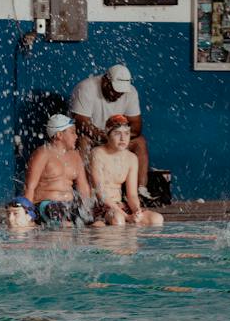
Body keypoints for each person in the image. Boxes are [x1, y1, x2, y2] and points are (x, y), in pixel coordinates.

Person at [69, 64, 148, 192]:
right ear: (105, 81)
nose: (117, 95)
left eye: (120, 93)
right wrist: (107, 137)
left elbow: (136, 128)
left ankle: (141, 191)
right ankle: (88, 192)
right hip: (92, 137)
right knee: (83, 141)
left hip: (113, 137)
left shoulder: (130, 92)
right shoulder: (86, 88)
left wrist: (115, 137)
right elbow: (81, 124)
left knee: (140, 142)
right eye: (114, 90)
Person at [89, 116, 164, 227]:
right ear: (107, 135)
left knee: (157, 219)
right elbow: (101, 194)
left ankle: (132, 242)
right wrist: (127, 216)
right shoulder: (97, 154)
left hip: (121, 206)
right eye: (117, 133)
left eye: (127, 133)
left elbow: (132, 194)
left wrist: (137, 210)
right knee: (118, 220)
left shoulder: (131, 158)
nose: (123, 138)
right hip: (100, 206)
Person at [18, 114, 90, 226]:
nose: (76, 136)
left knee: (97, 224)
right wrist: (28, 215)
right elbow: (29, 187)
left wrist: (88, 211)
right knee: (65, 224)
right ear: (59, 135)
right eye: (72, 132)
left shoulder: (76, 156)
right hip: (46, 206)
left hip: (69, 206)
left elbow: (84, 189)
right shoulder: (43, 154)